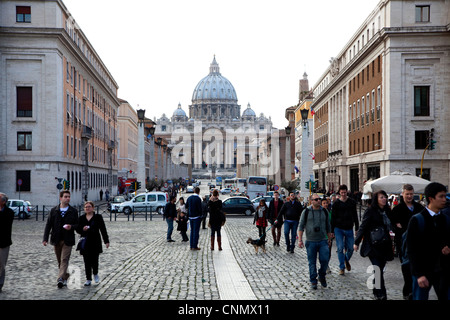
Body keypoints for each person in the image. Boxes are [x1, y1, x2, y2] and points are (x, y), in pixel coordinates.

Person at [406, 182, 450, 301]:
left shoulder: (445, 219)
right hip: (423, 271)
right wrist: (419, 274)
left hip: (443, 270)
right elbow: (412, 249)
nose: (444, 199)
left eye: (445, 196)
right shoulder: (417, 220)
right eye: (441, 196)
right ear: (431, 198)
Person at [354, 190, 394, 300]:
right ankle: (382, 294)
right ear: (376, 199)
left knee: (379, 269)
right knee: (377, 269)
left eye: (385, 197)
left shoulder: (387, 211)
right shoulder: (370, 211)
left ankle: (376, 289)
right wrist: (356, 242)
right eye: (381, 197)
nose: (384, 199)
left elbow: (392, 223)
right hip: (372, 245)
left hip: (384, 245)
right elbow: (363, 226)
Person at [391, 183, 424, 299]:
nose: (409, 196)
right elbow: (394, 225)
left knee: (416, 269)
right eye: (407, 194)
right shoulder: (397, 209)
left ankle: (413, 292)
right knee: (406, 268)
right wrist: (397, 226)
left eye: (411, 194)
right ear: (402, 194)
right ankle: (407, 292)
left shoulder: (419, 208)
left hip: (418, 244)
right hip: (403, 244)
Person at [43, 190, 79, 288]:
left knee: (64, 259)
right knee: (59, 260)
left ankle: (59, 279)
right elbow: (48, 225)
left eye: (69, 197)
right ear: (60, 198)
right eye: (66, 196)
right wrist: (45, 238)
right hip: (56, 238)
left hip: (68, 240)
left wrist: (71, 226)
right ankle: (65, 276)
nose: (68, 198)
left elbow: (77, 225)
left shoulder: (73, 211)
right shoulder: (54, 210)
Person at [298, 193, 332, 289]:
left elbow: (328, 227)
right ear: (311, 201)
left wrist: (329, 239)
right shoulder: (306, 211)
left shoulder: (324, 211)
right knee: (312, 262)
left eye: (319, 199)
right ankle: (313, 280)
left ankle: (322, 275)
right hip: (311, 241)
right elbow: (301, 226)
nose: (318, 201)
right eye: (316, 199)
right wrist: (300, 240)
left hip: (323, 240)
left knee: (325, 260)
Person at [76, 201, 110, 286]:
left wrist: (106, 241)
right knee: (86, 261)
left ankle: (95, 273)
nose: (87, 208)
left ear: (93, 208)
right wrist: (83, 229)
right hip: (85, 242)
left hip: (95, 241)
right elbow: (77, 229)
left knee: (95, 260)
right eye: (86, 207)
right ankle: (88, 279)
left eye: (89, 207)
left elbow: (103, 229)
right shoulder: (81, 218)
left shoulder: (98, 217)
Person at [331, 184, 359, 275]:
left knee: (350, 248)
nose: (343, 194)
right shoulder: (336, 203)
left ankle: (346, 259)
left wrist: (357, 228)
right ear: (339, 193)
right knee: (340, 248)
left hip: (349, 228)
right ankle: (341, 267)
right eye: (342, 192)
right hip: (338, 228)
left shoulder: (352, 202)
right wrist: (332, 231)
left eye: (344, 192)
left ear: (347, 192)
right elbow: (333, 218)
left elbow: (355, 215)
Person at [0, 193, 14, 292]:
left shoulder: (9, 212)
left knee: (1, 264)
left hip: (4, 242)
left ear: (3, 202)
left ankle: (0, 283)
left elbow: (5, 224)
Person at [321, 198, 334, 273]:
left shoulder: (330, 212)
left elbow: (332, 223)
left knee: (328, 251)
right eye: (324, 203)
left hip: (329, 235)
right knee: (323, 251)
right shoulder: (319, 212)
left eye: (326, 203)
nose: (326, 204)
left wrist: (332, 232)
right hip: (321, 235)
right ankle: (323, 265)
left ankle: (327, 264)